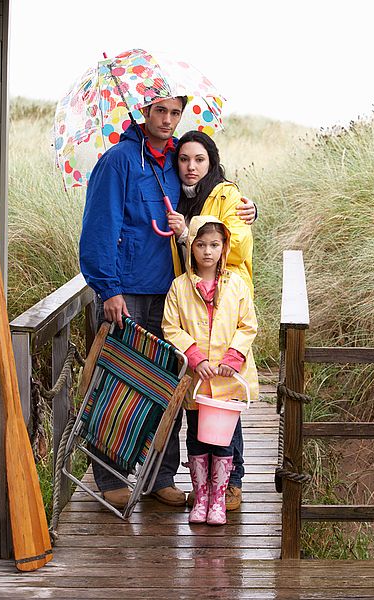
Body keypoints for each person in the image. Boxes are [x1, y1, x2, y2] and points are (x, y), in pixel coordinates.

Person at [79, 97, 255, 510]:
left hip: (173, 293)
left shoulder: (174, 160)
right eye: (161, 111)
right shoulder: (120, 160)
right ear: (145, 112)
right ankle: (111, 475)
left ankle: (160, 476)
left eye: (175, 113)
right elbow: (99, 227)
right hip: (127, 293)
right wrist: (108, 287)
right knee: (120, 383)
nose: (168, 120)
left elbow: (210, 208)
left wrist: (250, 209)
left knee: (172, 388)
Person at [166, 130, 254, 510]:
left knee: (226, 403)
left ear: (211, 161)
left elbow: (237, 239)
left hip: (227, 302)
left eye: (199, 159)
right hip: (191, 306)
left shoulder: (226, 194)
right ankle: (204, 490)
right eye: (184, 159)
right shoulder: (178, 194)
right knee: (201, 407)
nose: (191, 167)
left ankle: (231, 482)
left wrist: (189, 234)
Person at [162, 216, 259, 525]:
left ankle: (219, 497)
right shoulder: (179, 287)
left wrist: (233, 358)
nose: (207, 251)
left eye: (215, 245)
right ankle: (200, 495)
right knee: (196, 437)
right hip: (197, 379)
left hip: (228, 380)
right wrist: (194, 356)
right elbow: (171, 327)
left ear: (224, 247)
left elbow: (248, 325)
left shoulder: (237, 286)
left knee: (224, 439)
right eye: (200, 245)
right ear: (191, 248)